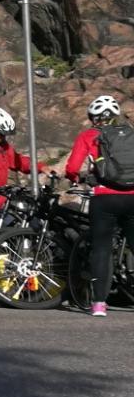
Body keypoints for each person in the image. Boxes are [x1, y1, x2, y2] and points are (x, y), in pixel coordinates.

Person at [63, 94, 134, 317]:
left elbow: (73, 167)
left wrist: (78, 178)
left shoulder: (89, 136)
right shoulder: (131, 133)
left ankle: (99, 304)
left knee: (101, 249)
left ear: (95, 118)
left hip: (104, 198)